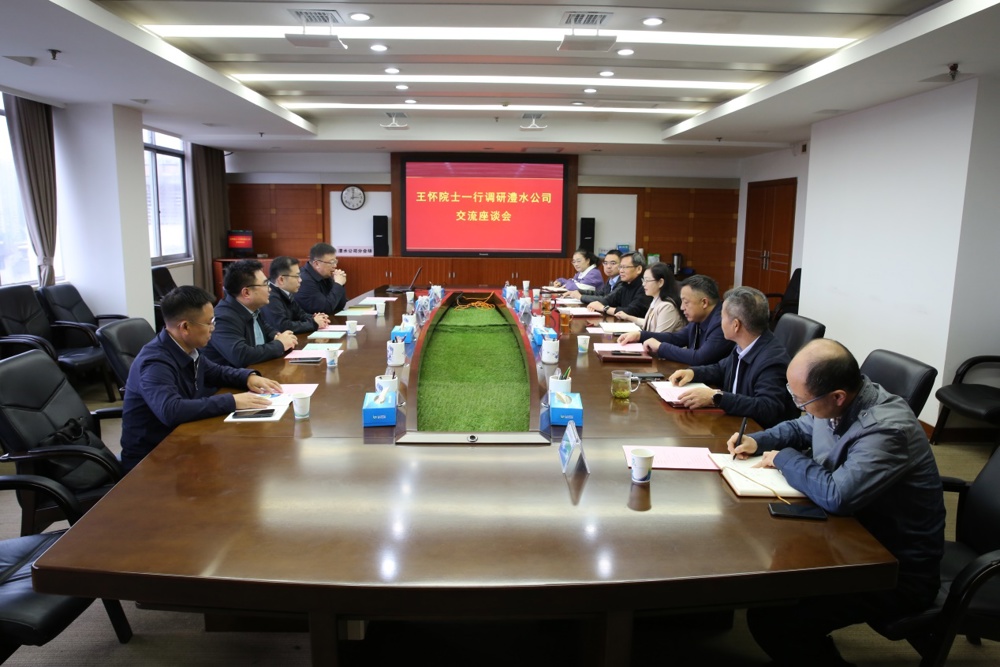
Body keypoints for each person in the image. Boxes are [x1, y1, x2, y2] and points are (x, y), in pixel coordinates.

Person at [729, 339, 945, 666]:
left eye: (800, 400)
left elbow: (837, 495)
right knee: (770, 590)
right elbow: (802, 427)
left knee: (776, 621)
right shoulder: (833, 401)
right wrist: (757, 440)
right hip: (850, 537)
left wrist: (783, 458)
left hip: (894, 567)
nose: (798, 406)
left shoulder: (887, 430)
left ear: (838, 396)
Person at [120, 286, 282, 472]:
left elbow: (216, 372)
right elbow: (171, 410)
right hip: (152, 460)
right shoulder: (155, 363)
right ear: (185, 327)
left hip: (184, 439)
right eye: (209, 322)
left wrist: (248, 377)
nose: (213, 328)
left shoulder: (186, 348)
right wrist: (232, 401)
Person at [667, 286, 797, 428]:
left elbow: (767, 407)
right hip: (734, 423)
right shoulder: (745, 344)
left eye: (722, 317)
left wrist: (716, 398)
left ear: (736, 325)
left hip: (754, 433)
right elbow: (722, 369)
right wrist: (693, 373)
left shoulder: (772, 361)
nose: (719, 322)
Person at [619, 274, 734, 365]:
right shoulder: (699, 318)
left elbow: (699, 358)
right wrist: (640, 336)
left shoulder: (722, 323)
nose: (682, 307)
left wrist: (660, 347)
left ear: (704, 302)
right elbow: (677, 338)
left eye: (686, 302)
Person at [203, 259, 297, 368]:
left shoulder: (251, 308)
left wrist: (278, 336)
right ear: (246, 292)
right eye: (265, 284)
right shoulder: (223, 318)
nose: (270, 289)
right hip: (231, 378)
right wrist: (280, 345)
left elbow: (267, 329)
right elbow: (241, 356)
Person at [262, 256, 330, 334]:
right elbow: (283, 327)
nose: (300, 280)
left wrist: (317, 318)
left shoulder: (286, 292)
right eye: (297, 276)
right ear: (281, 279)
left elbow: (300, 314)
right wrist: (314, 323)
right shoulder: (270, 297)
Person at [613, 261, 685, 333]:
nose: (643, 284)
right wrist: (628, 317)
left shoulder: (667, 306)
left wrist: (638, 336)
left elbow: (659, 337)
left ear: (660, 282)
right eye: (643, 280)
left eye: (647, 280)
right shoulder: (656, 299)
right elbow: (650, 323)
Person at [585, 251, 652, 318]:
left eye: (625, 267)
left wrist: (604, 308)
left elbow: (631, 312)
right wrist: (596, 304)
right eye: (620, 267)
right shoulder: (625, 284)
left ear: (639, 269)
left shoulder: (645, 286)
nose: (621, 271)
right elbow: (609, 300)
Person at [295, 242, 348, 315]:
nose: (335, 266)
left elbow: (339, 305)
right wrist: (338, 284)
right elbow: (324, 309)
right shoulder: (304, 280)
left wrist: (339, 284)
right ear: (317, 264)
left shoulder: (325, 275)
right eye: (331, 262)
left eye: (335, 261)